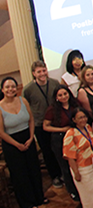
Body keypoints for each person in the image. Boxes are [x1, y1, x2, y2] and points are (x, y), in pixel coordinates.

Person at [0, 77, 46, 208]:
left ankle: (39, 198)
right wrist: (16, 144)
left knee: (34, 170)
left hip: (28, 138)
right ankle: (27, 203)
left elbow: (31, 120)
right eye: (7, 87)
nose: (11, 89)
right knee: (20, 175)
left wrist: (31, 138)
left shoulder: (23, 100)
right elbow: (1, 132)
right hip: (11, 144)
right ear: (3, 89)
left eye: (13, 86)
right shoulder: (0, 107)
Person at [23, 61, 63, 189]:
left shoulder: (55, 83)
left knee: (60, 148)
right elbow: (27, 106)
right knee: (47, 151)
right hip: (40, 124)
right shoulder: (28, 89)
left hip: (55, 122)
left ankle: (64, 173)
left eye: (44, 70)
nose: (42, 74)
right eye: (39, 72)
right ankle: (55, 176)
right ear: (34, 73)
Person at [44, 86, 82, 201]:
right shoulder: (52, 109)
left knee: (78, 164)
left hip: (76, 137)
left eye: (65, 94)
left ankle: (81, 187)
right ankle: (72, 191)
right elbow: (45, 127)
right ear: (56, 97)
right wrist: (62, 129)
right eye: (60, 95)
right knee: (66, 167)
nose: (63, 97)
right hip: (60, 139)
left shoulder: (75, 105)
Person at [63, 108, 93, 208]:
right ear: (74, 120)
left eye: (84, 117)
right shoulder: (70, 133)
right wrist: (76, 173)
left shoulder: (88, 128)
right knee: (89, 196)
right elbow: (69, 156)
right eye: (80, 118)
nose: (83, 120)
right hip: (83, 168)